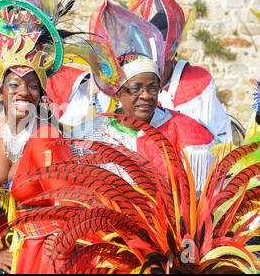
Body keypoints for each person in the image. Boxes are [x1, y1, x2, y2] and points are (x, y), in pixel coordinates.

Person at [0, 30, 73, 274]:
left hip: (38, 245)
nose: (24, 91)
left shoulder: (47, 135)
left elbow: (68, 197)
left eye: (33, 86)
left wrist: (63, 236)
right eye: (14, 84)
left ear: (40, 95)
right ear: (0, 91)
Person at [73, 52, 217, 196]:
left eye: (153, 88)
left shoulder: (188, 132)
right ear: (117, 92)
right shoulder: (89, 136)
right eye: (136, 88)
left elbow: (202, 200)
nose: (146, 95)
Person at [131, 0, 232, 143]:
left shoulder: (199, 82)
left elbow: (218, 136)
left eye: (158, 60)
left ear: (171, 56)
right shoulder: (134, 81)